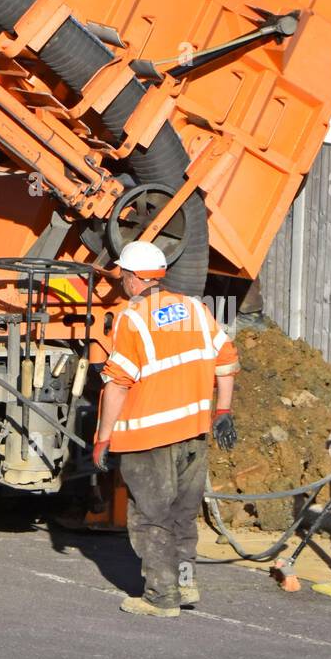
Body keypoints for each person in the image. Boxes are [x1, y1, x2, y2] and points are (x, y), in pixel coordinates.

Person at [93, 240, 239, 618]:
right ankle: (186, 583)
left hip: (148, 437)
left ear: (132, 278)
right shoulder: (194, 309)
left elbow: (118, 382)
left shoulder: (133, 317)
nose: (122, 281)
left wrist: (103, 437)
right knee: (182, 513)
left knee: (151, 517)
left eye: (122, 274)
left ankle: (161, 597)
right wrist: (222, 410)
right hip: (193, 432)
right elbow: (227, 361)